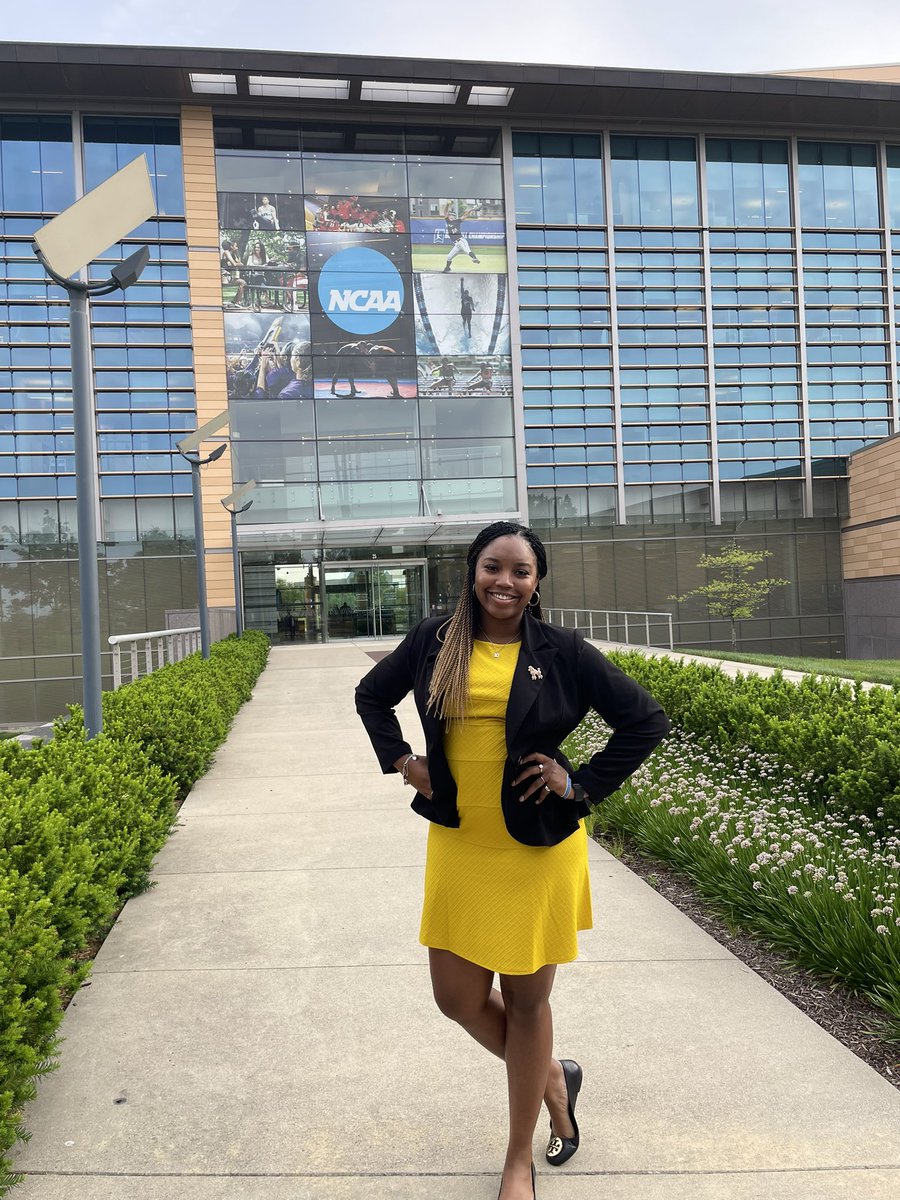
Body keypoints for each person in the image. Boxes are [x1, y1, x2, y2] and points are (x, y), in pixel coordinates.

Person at [355, 521, 671, 1200]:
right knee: (456, 999)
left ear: (536, 584)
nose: (505, 581)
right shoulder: (435, 641)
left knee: (528, 1005)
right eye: (493, 567)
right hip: (461, 842)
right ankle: (554, 1078)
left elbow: (645, 720)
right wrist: (404, 762)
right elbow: (370, 696)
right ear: (473, 572)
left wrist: (577, 783)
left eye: (521, 572)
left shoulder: (561, 650)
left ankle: (517, 1161)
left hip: (536, 850)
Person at [441, 202, 481, 272]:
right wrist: (447, 204)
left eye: (452, 215)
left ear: (454, 217)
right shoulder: (448, 221)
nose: (450, 216)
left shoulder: (457, 221)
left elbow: (465, 215)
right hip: (456, 245)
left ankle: (474, 258)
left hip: (461, 241)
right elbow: (445, 212)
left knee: (467, 251)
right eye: (449, 215)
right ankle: (447, 268)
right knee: (449, 257)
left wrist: (471, 209)